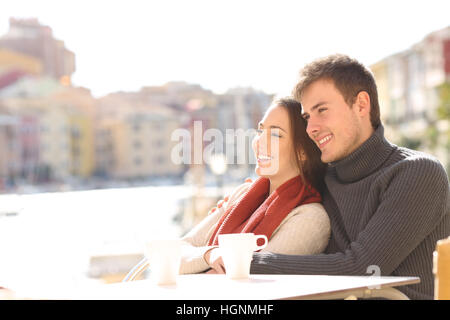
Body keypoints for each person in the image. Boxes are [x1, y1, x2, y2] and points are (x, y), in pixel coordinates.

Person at [249, 54, 450, 300]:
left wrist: (248, 261)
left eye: (322, 110)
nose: (311, 128)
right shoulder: (323, 178)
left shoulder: (418, 173)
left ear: (361, 105)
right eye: (307, 117)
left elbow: (362, 269)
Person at [123, 97, 331, 281]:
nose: (260, 142)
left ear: (302, 152)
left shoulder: (310, 218)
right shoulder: (244, 195)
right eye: (260, 131)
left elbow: (248, 277)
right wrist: (210, 255)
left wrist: (200, 264)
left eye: (276, 135)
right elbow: (178, 249)